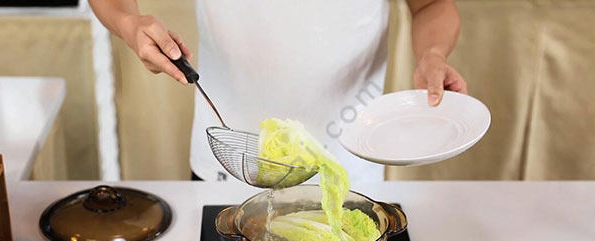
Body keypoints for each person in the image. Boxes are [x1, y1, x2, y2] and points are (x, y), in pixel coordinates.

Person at [89, 0, 467, 183]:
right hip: (230, 163)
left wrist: (432, 53)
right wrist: (130, 23)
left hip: (348, 169)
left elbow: (432, 5)